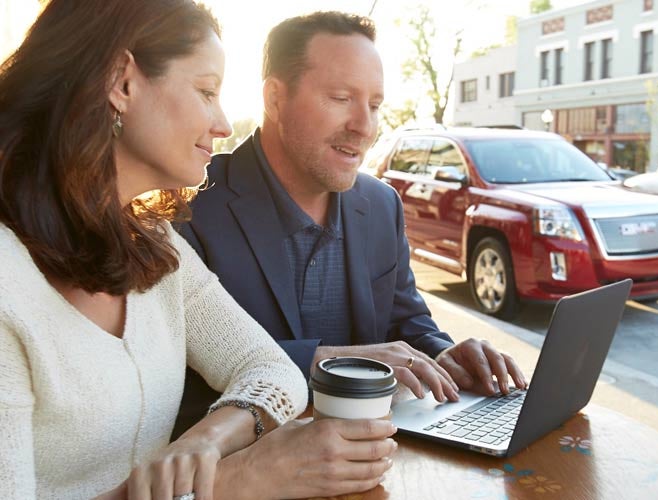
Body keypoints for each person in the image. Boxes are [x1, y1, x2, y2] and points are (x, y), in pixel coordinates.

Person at [0, 1, 395, 499]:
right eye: (206, 91)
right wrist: (234, 480)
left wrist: (205, 444)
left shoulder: (154, 247)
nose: (224, 124)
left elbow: (271, 369)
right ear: (122, 83)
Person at [175, 11, 527, 435]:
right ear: (274, 99)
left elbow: (407, 324)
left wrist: (443, 353)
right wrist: (347, 362)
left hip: (376, 453)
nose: (365, 127)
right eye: (341, 98)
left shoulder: (381, 205)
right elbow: (182, 370)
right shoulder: (188, 202)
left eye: (375, 105)